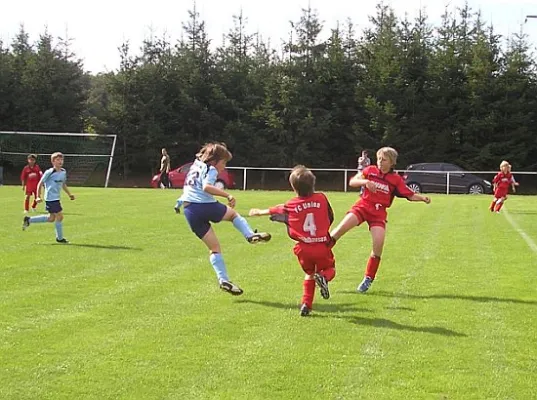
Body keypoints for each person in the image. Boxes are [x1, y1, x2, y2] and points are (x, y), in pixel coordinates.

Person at [330, 147, 431, 293]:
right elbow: (353, 181)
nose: (380, 162)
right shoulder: (370, 170)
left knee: (378, 244)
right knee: (338, 231)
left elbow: (409, 194)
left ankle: (368, 278)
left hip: (378, 213)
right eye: (379, 159)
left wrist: (422, 198)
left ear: (392, 162)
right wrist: (365, 183)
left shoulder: (395, 179)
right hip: (363, 206)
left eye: (384, 160)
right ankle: (320, 264)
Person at [181, 142, 271, 295]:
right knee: (234, 215)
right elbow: (206, 187)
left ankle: (223, 280)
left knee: (214, 248)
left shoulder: (196, 165)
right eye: (223, 163)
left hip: (189, 210)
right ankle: (250, 235)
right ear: (215, 160)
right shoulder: (211, 168)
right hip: (203, 205)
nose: (224, 167)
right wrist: (227, 195)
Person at [249, 165, 336, 317]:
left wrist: (258, 212)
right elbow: (330, 216)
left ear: (293, 188)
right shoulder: (321, 198)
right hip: (321, 245)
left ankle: (306, 305)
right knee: (330, 269)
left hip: (303, 248)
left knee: (309, 273)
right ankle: (324, 277)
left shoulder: (291, 204)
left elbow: (275, 210)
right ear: (313, 183)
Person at [22, 152, 75, 243]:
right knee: (60, 216)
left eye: (61, 159)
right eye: (58, 160)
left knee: (51, 218)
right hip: (50, 198)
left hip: (56, 198)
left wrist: (69, 194)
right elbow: (40, 183)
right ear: (53, 162)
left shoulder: (63, 172)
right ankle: (60, 238)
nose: (60, 161)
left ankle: (29, 220)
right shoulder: (50, 172)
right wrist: (38, 196)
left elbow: (63, 184)